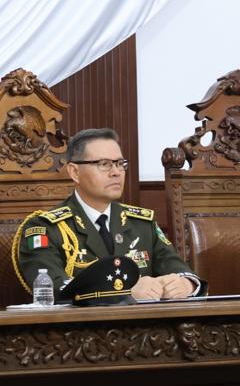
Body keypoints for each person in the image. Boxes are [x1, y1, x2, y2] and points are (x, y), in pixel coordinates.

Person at [13, 128, 204, 302]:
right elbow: (54, 290)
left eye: (120, 164)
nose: (116, 173)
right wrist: (124, 292)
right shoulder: (45, 228)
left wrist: (186, 284)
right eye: (104, 164)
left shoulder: (140, 223)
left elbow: (176, 267)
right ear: (74, 172)